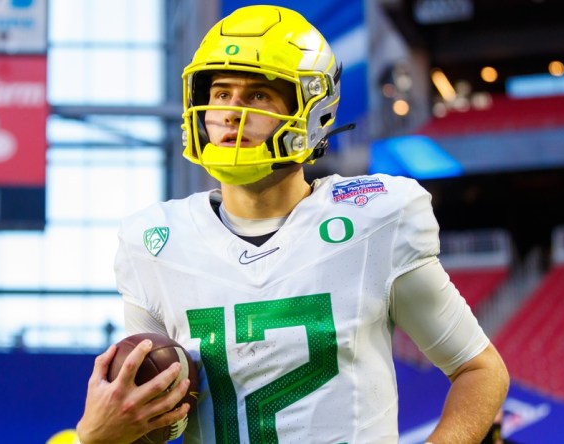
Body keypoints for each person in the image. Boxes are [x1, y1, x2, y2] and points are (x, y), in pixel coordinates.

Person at [76, 5, 509, 443]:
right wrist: (96, 435)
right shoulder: (154, 244)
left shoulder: (373, 219)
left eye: (259, 95)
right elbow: (153, 420)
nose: (231, 112)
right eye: (221, 93)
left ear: (313, 109)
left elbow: (479, 369)